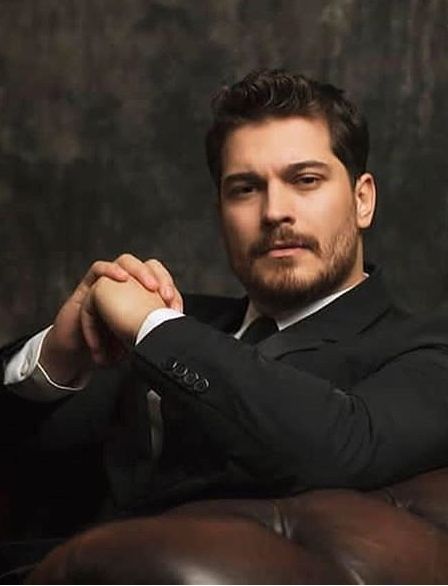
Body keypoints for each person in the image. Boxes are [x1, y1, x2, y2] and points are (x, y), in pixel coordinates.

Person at [2, 69, 448, 548]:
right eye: (245, 189)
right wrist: (54, 361)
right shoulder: (162, 317)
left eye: (306, 180)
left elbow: (342, 448)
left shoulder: (425, 349)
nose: (275, 211)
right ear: (220, 213)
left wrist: (153, 327)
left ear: (362, 201)